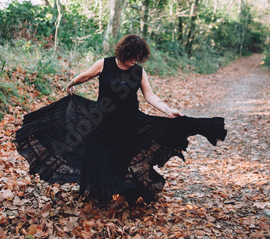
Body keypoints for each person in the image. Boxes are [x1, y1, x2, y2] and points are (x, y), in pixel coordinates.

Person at [14, 34, 227, 205]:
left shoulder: (139, 72)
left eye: (139, 57)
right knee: (98, 155)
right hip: (102, 121)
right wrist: (72, 83)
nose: (135, 60)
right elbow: (86, 75)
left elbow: (150, 96)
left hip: (129, 123)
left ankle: (118, 191)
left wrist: (168, 110)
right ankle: (101, 193)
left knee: (121, 158)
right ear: (123, 52)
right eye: (132, 56)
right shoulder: (104, 64)